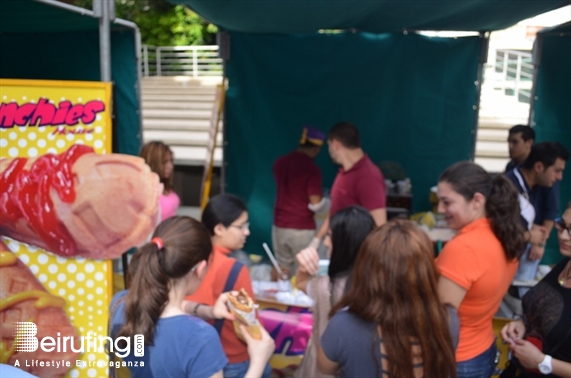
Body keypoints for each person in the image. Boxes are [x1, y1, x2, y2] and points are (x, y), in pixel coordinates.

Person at [111, 216, 275, 377]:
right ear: (200, 268)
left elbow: (164, 309)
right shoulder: (199, 336)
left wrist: (208, 311)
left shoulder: (120, 302)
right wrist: (258, 362)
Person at [317, 219, 459, 378]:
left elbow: (324, 367)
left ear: (366, 269)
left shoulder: (343, 326)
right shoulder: (448, 320)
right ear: (425, 272)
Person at [435, 161, 525, 378]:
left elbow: (440, 318)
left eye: (446, 202)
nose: (439, 209)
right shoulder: (504, 235)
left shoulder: (464, 248)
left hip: (455, 357)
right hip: (482, 348)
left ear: (476, 200)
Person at [183, 194, 271, 378]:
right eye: (241, 226)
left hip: (196, 359)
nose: (247, 232)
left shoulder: (187, 259)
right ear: (219, 229)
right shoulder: (234, 269)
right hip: (234, 360)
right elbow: (251, 323)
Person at [294, 206, 375, 378]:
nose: (325, 242)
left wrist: (303, 265)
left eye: (330, 236)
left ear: (344, 242)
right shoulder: (378, 288)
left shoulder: (325, 287)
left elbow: (300, 282)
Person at [500, 201, 571, 378]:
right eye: (561, 225)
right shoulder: (564, 264)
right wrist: (525, 324)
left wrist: (543, 362)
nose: (563, 235)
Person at [505, 142, 568, 299]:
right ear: (539, 167)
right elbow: (498, 233)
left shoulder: (535, 187)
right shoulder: (507, 188)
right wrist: (528, 236)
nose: (560, 177)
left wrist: (536, 238)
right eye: (557, 171)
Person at [313, 121, 387, 248]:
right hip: (337, 251)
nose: (329, 151)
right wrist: (316, 240)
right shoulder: (343, 172)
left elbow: (380, 226)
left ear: (335, 145)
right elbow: (334, 212)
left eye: (329, 146)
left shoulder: (368, 177)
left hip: (353, 255)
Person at [272, 125, 327, 274]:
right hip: (301, 228)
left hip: (279, 226)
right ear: (316, 149)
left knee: (282, 270)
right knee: (303, 272)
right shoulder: (312, 170)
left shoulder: (280, 163)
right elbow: (316, 203)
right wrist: (326, 201)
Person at [140, 141, 180, 221]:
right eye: (164, 162)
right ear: (153, 163)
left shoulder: (166, 186)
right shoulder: (143, 193)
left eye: (171, 161)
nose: (170, 166)